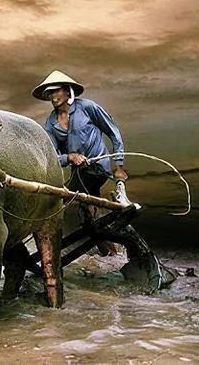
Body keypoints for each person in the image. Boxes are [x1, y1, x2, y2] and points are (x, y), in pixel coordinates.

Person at [32, 70, 128, 256]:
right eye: (50, 93)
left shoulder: (87, 108)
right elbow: (52, 157)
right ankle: (110, 253)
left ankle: (51, 246)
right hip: (79, 173)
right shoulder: (51, 123)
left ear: (68, 91)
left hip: (97, 168)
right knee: (88, 215)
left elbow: (113, 132)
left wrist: (119, 164)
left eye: (56, 91)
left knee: (59, 199)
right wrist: (69, 157)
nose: (53, 96)